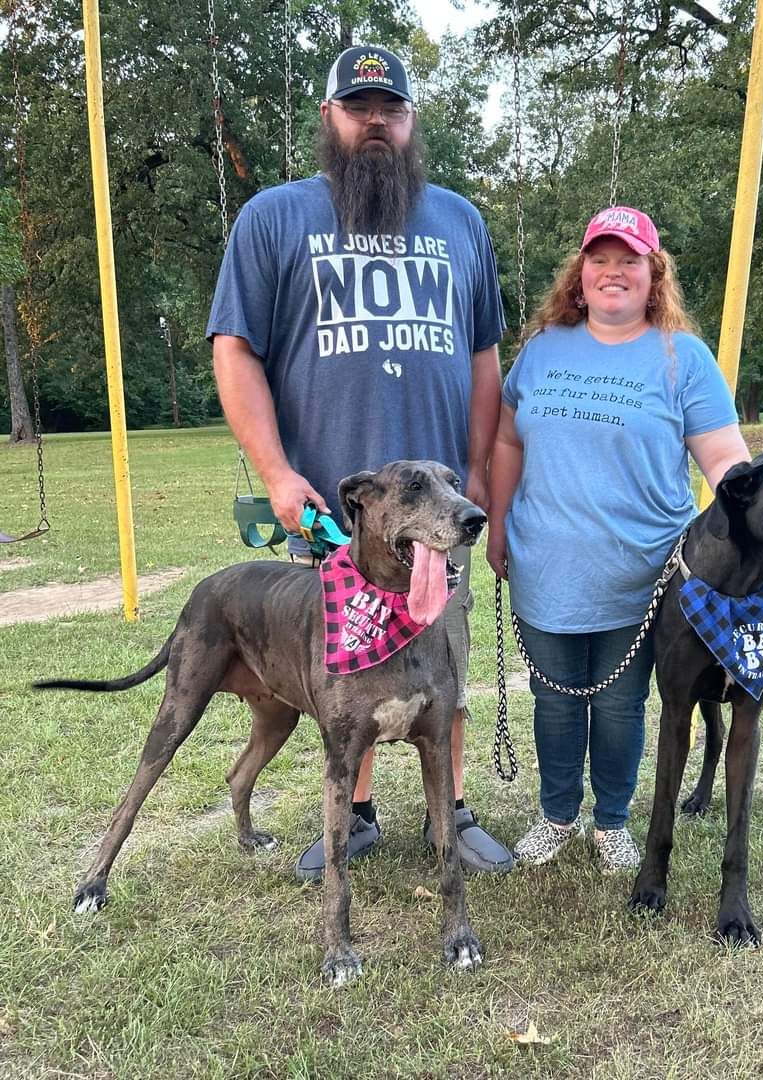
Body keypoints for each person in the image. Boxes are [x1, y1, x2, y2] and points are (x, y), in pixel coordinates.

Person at [207, 44, 513, 880]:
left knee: (441, 654)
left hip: (436, 507)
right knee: (350, 665)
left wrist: (476, 472)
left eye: (392, 108)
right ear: (330, 119)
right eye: (358, 106)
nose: (375, 119)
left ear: (412, 124)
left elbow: (485, 358)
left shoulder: (462, 222)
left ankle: (449, 811)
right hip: (342, 508)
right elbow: (234, 351)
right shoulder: (273, 218)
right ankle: (362, 813)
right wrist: (275, 473)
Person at [486, 206, 750, 873]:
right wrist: (497, 520)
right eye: (599, 259)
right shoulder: (542, 348)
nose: (613, 272)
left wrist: (753, 517)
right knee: (553, 698)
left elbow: (723, 457)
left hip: (646, 570)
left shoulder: (682, 357)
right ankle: (555, 813)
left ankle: (611, 822)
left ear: (652, 274)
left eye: (628, 260)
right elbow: (508, 439)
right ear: (579, 274)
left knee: (620, 703)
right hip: (545, 561)